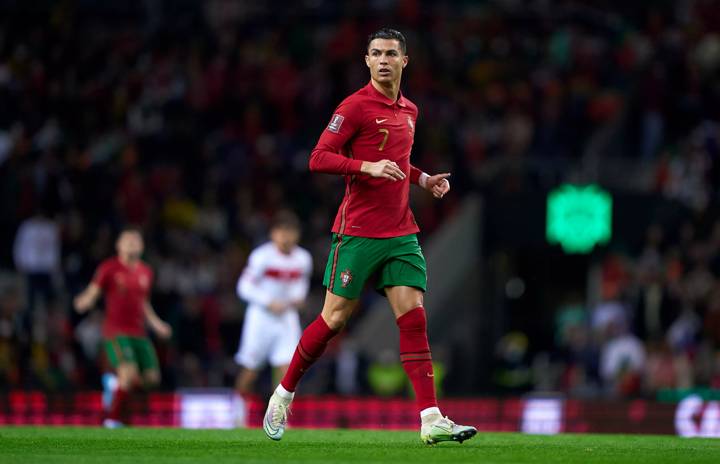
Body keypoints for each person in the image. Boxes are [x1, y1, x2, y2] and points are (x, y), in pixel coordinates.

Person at [263, 28, 477, 445]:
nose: (382, 60)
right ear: (366, 61)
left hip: (401, 232)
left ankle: (430, 417)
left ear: (404, 61)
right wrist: (366, 167)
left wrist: (423, 179)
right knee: (334, 320)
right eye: (375, 53)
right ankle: (283, 394)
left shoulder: (410, 110)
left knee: (413, 316)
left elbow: (399, 161)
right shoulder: (355, 106)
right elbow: (318, 158)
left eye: (390, 53)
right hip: (357, 234)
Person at [74, 228, 172, 428]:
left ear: (142, 246)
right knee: (127, 373)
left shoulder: (146, 272)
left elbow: (144, 303)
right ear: (118, 245)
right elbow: (94, 292)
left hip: (139, 334)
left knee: (152, 379)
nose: (132, 244)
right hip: (116, 332)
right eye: (127, 240)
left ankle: (114, 384)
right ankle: (112, 419)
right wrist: (84, 301)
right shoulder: (108, 268)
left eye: (136, 240)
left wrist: (157, 324)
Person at [232, 211, 312, 426]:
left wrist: (298, 298)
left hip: (287, 319)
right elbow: (244, 287)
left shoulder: (303, 259)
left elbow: (301, 286)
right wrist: (268, 301)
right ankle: (238, 414)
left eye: (291, 232)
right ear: (273, 234)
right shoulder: (262, 256)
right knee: (250, 370)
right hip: (260, 319)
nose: (286, 237)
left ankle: (279, 421)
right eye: (282, 232)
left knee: (288, 371)